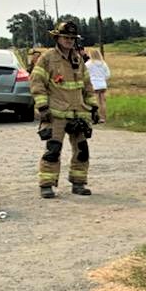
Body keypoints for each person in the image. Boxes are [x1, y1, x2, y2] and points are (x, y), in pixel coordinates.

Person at [30, 20, 100, 199]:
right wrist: (42, 106)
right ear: (57, 38)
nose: (69, 40)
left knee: (82, 150)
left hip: (79, 113)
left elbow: (87, 85)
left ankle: (79, 183)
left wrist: (93, 107)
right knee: (53, 150)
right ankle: (47, 185)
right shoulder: (48, 58)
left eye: (71, 38)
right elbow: (37, 83)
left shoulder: (78, 59)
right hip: (56, 114)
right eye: (65, 37)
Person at [85, 47, 110, 123]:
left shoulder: (89, 64)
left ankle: (95, 117)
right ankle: (103, 117)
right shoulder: (103, 63)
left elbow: (85, 74)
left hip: (93, 84)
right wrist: (102, 79)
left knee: (95, 102)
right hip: (102, 84)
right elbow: (108, 74)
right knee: (102, 102)